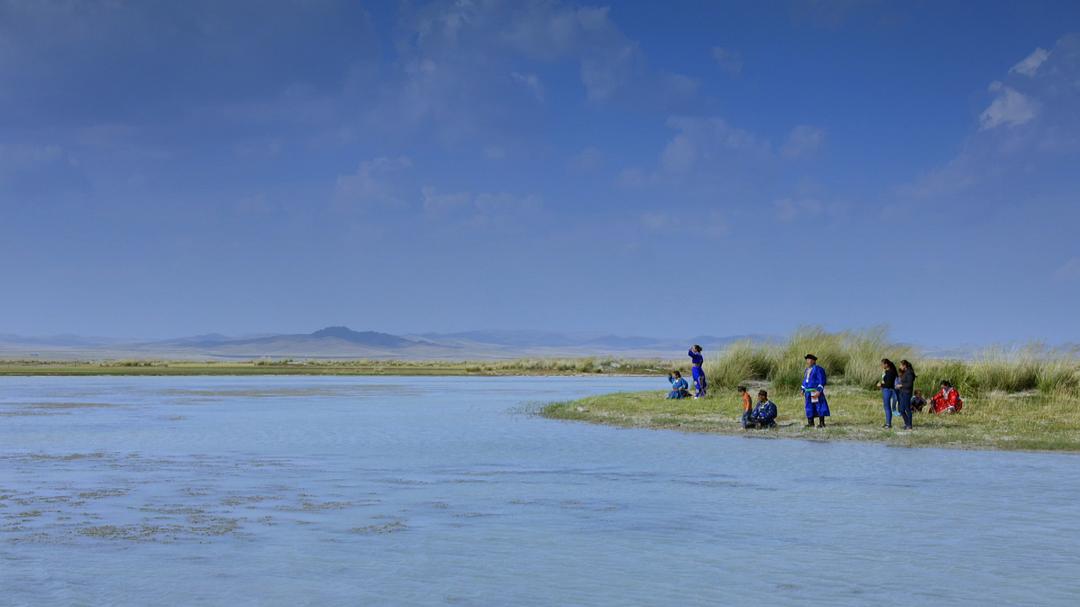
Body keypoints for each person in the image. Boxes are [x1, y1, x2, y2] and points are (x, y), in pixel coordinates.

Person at [801, 354, 830, 427]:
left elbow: (822, 380)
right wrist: (803, 389)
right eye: (807, 360)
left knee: (819, 406)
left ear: (813, 361)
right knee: (809, 407)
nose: (808, 361)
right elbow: (805, 381)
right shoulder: (807, 370)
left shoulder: (818, 369)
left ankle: (822, 423)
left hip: (815, 391)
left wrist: (819, 390)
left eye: (809, 359)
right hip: (808, 392)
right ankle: (810, 423)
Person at [878, 358, 899, 428]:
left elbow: (889, 384)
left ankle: (888, 424)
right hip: (886, 390)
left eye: (882, 364)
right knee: (886, 407)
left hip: (888, 390)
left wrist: (881, 385)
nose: (881, 366)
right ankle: (888, 423)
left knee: (887, 407)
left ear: (886, 364)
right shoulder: (888, 371)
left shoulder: (890, 372)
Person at [896, 359, 917, 430]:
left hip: (907, 393)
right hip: (902, 392)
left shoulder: (909, 373)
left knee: (907, 409)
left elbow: (909, 384)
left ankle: (909, 425)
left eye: (901, 365)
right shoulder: (905, 372)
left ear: (904, 365)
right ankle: (907, 423)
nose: (900, 366)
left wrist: (901, 385)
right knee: (901, 410)